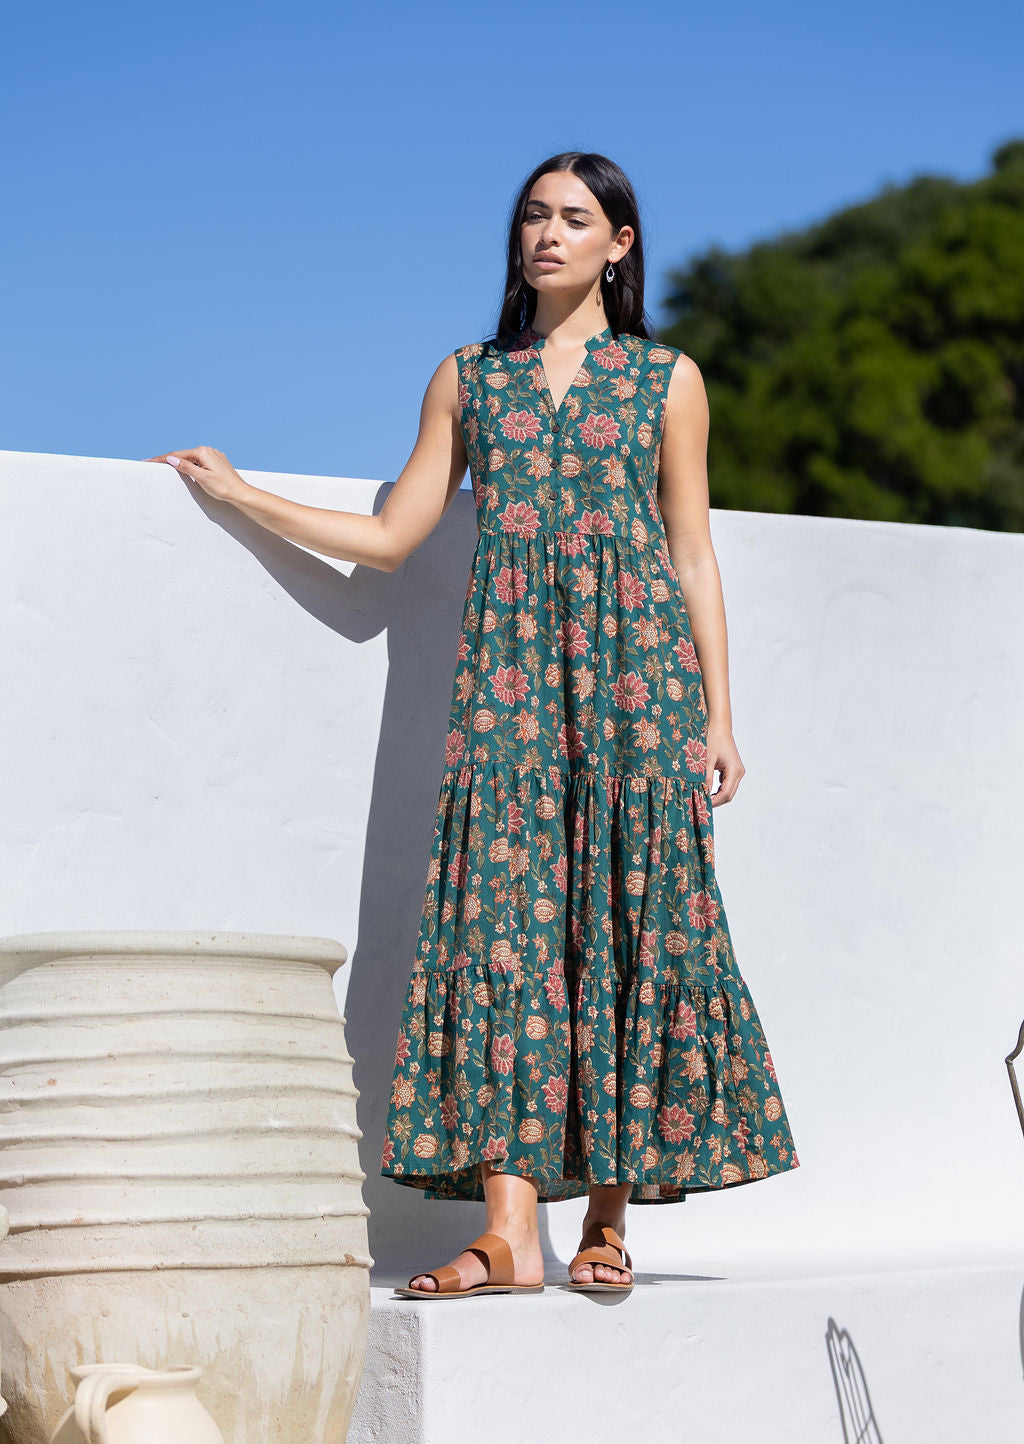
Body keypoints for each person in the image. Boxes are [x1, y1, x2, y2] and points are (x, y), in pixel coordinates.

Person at [144, 150, 800, 1302]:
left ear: (619, 244)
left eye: (574, 218)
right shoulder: (466, 377)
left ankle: (606, 1221)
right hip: (505, 692)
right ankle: (508, 1234)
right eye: (533, 215)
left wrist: (718, 713)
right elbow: (395, 532)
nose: (547, 233)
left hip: (638, 685)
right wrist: (241, 494)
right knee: (503, 930)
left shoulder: (666, 379)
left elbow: (691, 549)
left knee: (625, 918)